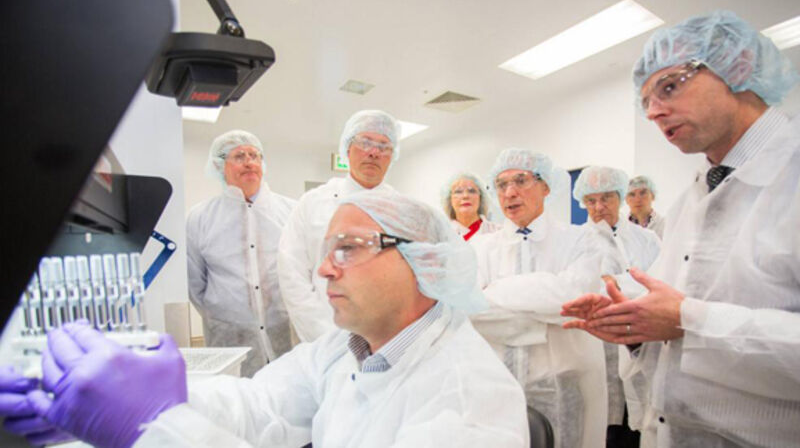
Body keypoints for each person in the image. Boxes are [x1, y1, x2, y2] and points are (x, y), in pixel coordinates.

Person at [0, 190, 530, 448]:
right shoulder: (348, 347)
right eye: (327, 249)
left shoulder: (469, 407)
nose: (323, 268)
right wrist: (141, 397)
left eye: (348, 247)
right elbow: (261, 405)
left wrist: (152, 426)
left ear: (423, 261)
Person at [562, 10, 800, 447]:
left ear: (739, 66)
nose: (654, 112)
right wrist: (636, 325)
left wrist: (688, 319)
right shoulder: (696, 196)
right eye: (646, 102)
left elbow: (687, 315)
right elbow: (678, 314)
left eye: (670, 86)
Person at [469, 148, 609, 448]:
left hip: (564, 383)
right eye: (501, 184)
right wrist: (545, 314)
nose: (510, 192)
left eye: (521, 181)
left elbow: (574, 298)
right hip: (497, 384)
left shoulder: (579, 239)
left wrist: (494, 290)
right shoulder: (480, 248)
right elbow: (471, 309)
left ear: (546, 186)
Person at [278, 110, 399, 343]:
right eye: (365, 142)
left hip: (387, 337)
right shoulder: (313, 203)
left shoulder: (403, 210)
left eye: (384, 146)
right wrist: (321, 336)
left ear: (392, 156)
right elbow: (292, 272)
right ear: (347, 148)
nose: (374, 152)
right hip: (324, 332)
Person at [186, 130, 296, 377]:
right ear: (219, 166)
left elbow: (303, 270)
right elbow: (194, 283)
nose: (249, 162)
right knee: (236, 397)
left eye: (254, 156)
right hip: (230, 338)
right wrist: (226, 314)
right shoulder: (200, 218)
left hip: (286, 334)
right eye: (239, 156)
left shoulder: (291, 212)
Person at [572, 165, 661, 446]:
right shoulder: (575, 240)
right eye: (591, 200)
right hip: (600, 343)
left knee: (643, 421)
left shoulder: (647, 239)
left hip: (645, 338)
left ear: (620, 197)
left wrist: (616, 283)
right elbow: (583, 289)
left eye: (606, 198)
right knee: (606, 419)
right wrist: (629, 285)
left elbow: (661, 284)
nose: (599, 207)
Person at [441, 172, 501, 241]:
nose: (465, 196)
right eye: (458, 191)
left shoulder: (499, 232)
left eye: (472, 191)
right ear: (449, 199)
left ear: (481, 198)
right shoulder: (441, 235)